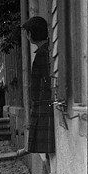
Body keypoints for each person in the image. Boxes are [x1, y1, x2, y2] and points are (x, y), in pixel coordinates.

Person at [20, 16, 55, 155]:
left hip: (44, 107)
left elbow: (46, 81)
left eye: (27, 33)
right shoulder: (45, 51)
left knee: (48, 152)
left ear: (31, 34)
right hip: (44, 105)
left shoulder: (42, 54)